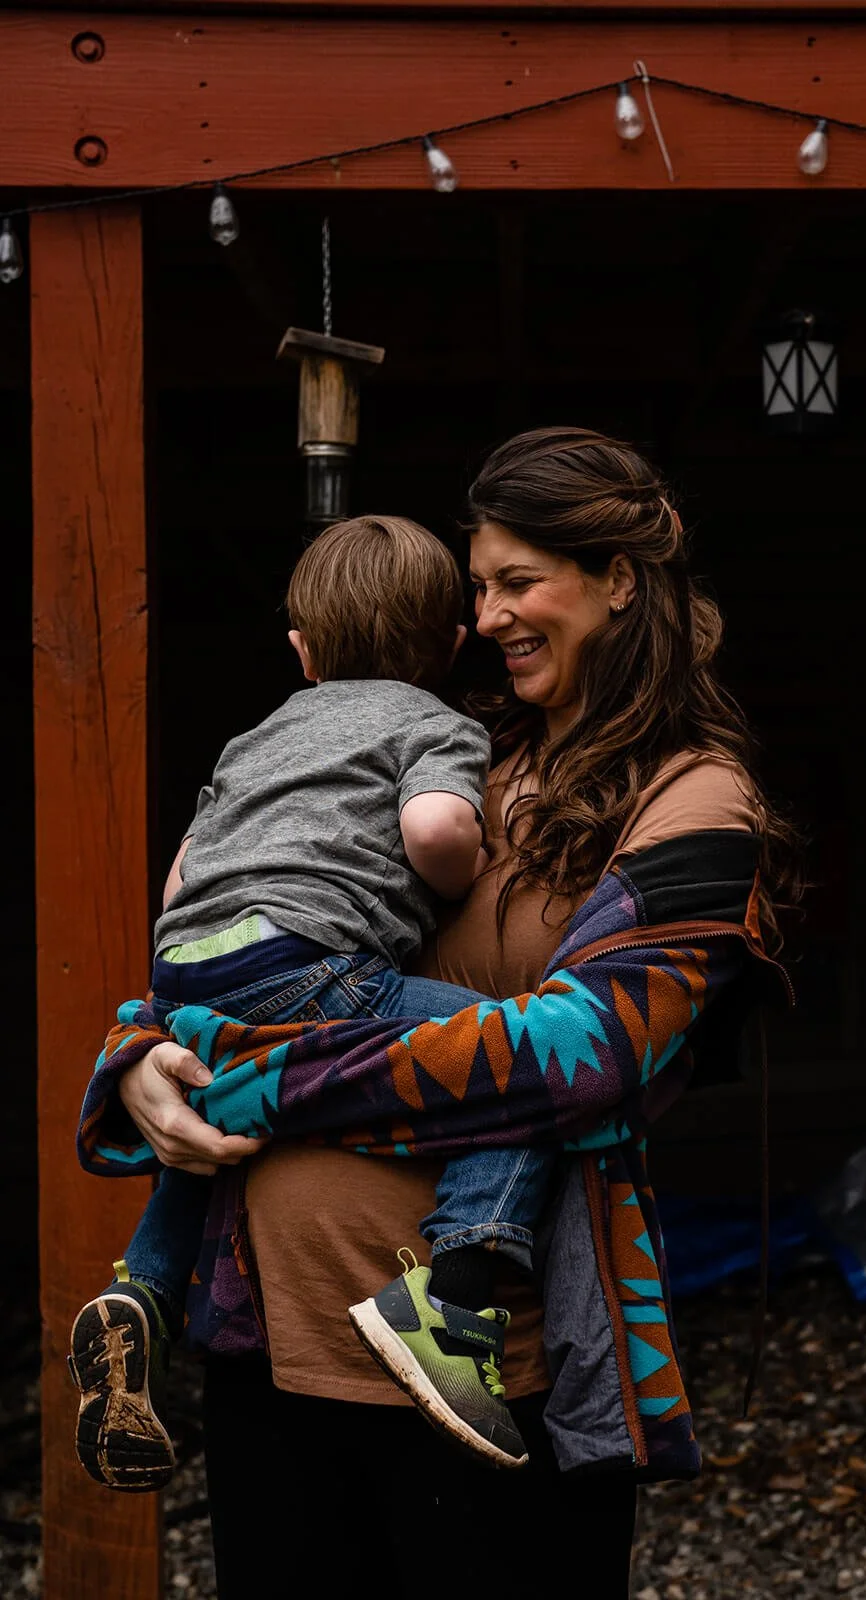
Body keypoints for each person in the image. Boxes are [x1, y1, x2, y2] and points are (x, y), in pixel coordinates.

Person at [78, 427, 796, 1599]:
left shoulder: (695, 799)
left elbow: (582, 1053)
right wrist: (146, 1054)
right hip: (272, 1336)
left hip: (484, 1371)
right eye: (480, 587)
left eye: (521, 581)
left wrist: (240, 1075)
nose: (493, 613)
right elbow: (257, 935)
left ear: (620, 580)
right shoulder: (455, 760)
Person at [70, 513, 560, 1490]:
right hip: (314, 966)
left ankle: (144, 1294)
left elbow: (183, 878)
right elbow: (432, 828)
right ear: (450, 644)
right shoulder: (434, 722)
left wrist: (177, 990)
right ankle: (451, 1303)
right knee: (512, 1058)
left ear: (300, 650)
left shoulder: (257, 737)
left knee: (221, 1116)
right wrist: (454, 871)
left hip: (190, 970)